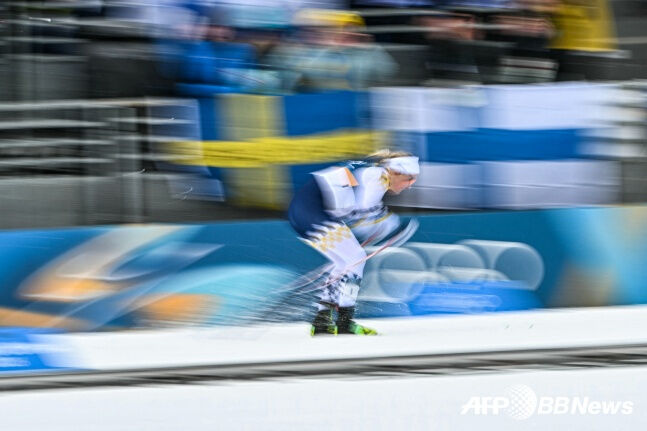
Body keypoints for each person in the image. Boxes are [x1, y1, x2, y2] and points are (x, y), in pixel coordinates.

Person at [288, 150, 419, 336]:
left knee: (344, 263)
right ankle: (344, 322)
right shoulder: (377, 177)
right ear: (396, 171)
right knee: (356, 258)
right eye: (409, 179)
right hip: (313, 213)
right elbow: (361, 215)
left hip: (305, 213)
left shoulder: (373, 173)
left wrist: (385, 223)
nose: (410, 185)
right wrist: (391, 224)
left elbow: (359, 215)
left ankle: (322, 320)